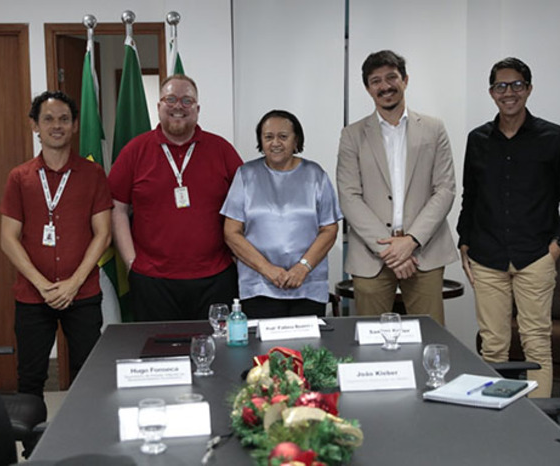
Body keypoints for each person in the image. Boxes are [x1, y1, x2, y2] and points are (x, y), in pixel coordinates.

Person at [456, 57, 560, 398]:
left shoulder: (554, 138)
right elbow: (471, 195)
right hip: (486, 256)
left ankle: (538, 428)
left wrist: (556, 247)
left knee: (537, 344)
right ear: (491, 92)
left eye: (516, 85)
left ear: (528, 89)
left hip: (535, 257)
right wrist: (464, 241)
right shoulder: (478, 139)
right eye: (501, 86)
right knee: (493, 345)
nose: (508, 92)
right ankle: (497, 425)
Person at [0, 91, 112, 398]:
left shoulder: (93, 174)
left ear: (75, 125)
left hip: (83, 292)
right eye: (47, 119)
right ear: (35, 125)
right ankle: (32, 447)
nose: (56, 126)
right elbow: (7, 238)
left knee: (88, 374)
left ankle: (84, 441)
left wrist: (73, 284)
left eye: (64, 119)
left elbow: (103, 234)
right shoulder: (20, 178)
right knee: (31, 378)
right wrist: (43, 285)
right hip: (32, 295)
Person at [336, 50, 458, 325]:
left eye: (391, 77)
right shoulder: (352, 135)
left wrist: (411, 240)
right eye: (376, 81)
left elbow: (445, 189)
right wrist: (390, 250)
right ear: (368, 88)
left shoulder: (433, 128)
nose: (385, 86)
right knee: (370, 342)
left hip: (424, 251)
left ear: (405, 80)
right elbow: (349, 196)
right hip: (371, 254)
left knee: (430, 337)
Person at [108, 74, 243, 322]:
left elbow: (245, 206)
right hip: (152, 280)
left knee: (219, 354)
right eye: (170, 99)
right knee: (159, 355)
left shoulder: (221, 149)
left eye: (186, 100)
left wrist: (237, 257)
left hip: (216, 278)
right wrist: (131, 263)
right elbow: (117, 208)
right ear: (159, 106)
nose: (178, 106)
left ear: (197, 109)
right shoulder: (134, 151)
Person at [220, 110, 343, 318]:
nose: (275, 143)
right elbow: (231, 232)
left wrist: (302, 268)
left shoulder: (316, 175)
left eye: (283, 136)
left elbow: (329, 228)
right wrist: (267, 269)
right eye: (268, 137)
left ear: (296, 141)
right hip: (259, 286)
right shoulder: (245, 175)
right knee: (261, 349)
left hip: (307, 285)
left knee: (307, 349)